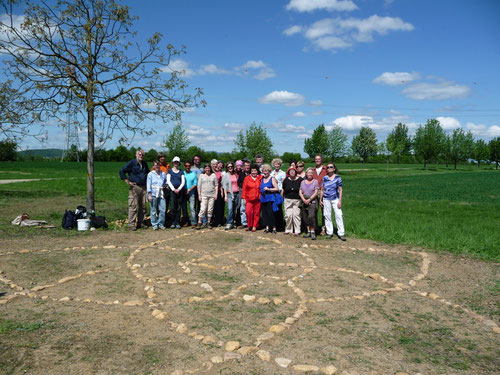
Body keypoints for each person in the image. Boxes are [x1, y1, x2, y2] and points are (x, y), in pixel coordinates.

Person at [119, 149, 149, 231]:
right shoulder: (131, 163)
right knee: (133, 206)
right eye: (139, 154)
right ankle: (131, 224)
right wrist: (127, 181)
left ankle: (141, 223)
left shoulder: (145, 164)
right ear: (136, 155)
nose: (141, 156)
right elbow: (122, 171)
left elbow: (148, 174)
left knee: (143, 207)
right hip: (134, 187)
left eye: (142, 155)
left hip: (143, 187)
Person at [320, 162, 346, 241]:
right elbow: (322, 190)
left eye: (331, 167)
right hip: (326, 199)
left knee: (339, 215)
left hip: (335, 199)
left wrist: (340, 201)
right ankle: (329, 232)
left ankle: (341, 233)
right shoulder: (324, 178)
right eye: (327, 167)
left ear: (334, 169)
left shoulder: (338, 178)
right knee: (327, 215)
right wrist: (320, 199)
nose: (329, 168)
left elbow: (340, 190)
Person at [260, 164, 282, 234]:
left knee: (271, 213)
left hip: (270, 198)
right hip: (263, 198)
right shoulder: (262, 179)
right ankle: (267, 228)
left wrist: (269, 189)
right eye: (264, 171)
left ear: (269, 171)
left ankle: (274, 228)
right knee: (265, 213)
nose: (265, 172)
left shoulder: (272, 178)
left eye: (266, 171)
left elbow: (277, 188)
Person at [299, 168, 319, 240]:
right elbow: (300, 191)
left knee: (311, 216)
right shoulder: (302, 182)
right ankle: (308, 232)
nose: (310, 174)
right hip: (304, 202)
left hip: (312, 202)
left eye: (311, 173)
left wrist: (310, 199)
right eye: (308, 173)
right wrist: (304, 200)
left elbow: (316, 192)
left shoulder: (315, 182)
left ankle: (313, 231)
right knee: (305, 217)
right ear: (306, 174)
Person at [147, 161, 168, 230]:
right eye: (155, 165)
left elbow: (166, 182)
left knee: (162, 209)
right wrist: (149, 194)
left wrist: (166, 186)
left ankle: (161, 224)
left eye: (158, 165)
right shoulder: (150, 174)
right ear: (153, 166)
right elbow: (148, 184)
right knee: (153, 210)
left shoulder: (163, 174)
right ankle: (154, 224)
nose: (157, 167)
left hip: (161, 193)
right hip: (153, 193)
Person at [282, 166, 302, 236]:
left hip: (297, 199)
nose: (292, 172)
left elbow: (302, 189)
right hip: (287, 199)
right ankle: (288, 229)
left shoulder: (300, 179)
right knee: (288, 215)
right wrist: (282, 197)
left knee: (296, 215)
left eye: (293, 171)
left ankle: (297, 230)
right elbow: (283, 189)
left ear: (296, 172)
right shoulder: (286, 180)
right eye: (290, 171)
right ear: (288, 172)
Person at [242, 165, 262, 232]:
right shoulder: (247, 178)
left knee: (257, 212)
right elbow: (244, 189)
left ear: (257, 171)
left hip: (257, 198)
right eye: (252, 171)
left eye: (255, 171)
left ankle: (254, 226)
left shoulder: (260, 177)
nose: (253, 172)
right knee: (248, 212)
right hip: (249, 198)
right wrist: (244, 198)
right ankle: (249, 225)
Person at [197, 164, 217, 229]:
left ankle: (208, 223)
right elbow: (199, 186)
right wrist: (199, 194)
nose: (207, 169)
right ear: (204, 169)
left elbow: (216, 185)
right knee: (202, 209)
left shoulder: (213, 175)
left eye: (208, 168)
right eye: (206, 168)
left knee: (210, 209)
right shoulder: (201, 176)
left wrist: (216, 194)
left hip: (212, 195)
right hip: (203, 195)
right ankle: (199, 223)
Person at [167, 156, 185, 229]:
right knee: (172, 207)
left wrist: (179, 189)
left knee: (178, 207)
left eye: (177, 162)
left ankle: (177, 222)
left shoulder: (181, 172)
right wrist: (174, 189)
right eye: (175, 162)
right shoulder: (169, 171)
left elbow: (183, 181)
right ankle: (173, 222)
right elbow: (168, 181)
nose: (176, 163)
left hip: (180, 192)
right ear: (173, 163)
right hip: (172, 191)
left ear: (179, 163)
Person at [312, 154, 328, 235]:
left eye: (319, 159)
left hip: (323, 192)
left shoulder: (326, 169)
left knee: (324, 211)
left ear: (321, 160)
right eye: (316, 159)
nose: (317, 160)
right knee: (314, 210)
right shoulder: (313, 170)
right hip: (314, 192)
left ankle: (324, 229)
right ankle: (315, 228)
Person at [222, 161, 240, 230]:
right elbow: (224, 186)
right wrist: (225, 196)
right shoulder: (226, 175)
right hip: (230, 194)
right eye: (228, 167)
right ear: (227, 168)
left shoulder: (235, 174)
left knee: (234, 209)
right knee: (229, 208)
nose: (230, 168)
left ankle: (233, 222)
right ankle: (229, 223)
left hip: (237, 193)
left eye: (231, 166)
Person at [270, 158, 286, 232]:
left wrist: (281, 194)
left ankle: (280, 225)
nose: (277, 165)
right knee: (273, 209)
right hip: (272, 192)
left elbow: (283, 184)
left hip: (279, 191)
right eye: (275, 164)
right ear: (273, 165)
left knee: (279, 209)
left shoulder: (282, 173)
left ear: (280, 165)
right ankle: (273, 225)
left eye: (278, 164)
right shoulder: (271, 173)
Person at [183, 160, 198, 227]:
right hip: (183, 193)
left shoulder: (193, 174)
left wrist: (189, 190)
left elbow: (195, 184)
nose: (188, 167)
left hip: (191, 193)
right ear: (184, 166)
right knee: (184, 208)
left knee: (192, 208)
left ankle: (193, 222)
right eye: (186, 166)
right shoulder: (182, 173)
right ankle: (186, 222)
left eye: (189, 166)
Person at [237, 160, 251, 228]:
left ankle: (250, 222)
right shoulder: (241, 174)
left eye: (248, 165)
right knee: (242, 208)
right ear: (243, 167)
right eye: (246, 165)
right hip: (243, 192)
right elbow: (239, 183)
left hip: (251, 192)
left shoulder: (253, 173)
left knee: (250, 208)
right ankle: (244, 222)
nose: (247, 167)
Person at [213, 160, 226, 226]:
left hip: (221, 191)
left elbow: (222, 183)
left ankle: (220, 220)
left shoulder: (223, 173)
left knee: (221, 206)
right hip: (213, 191)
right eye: (219, 164)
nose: (220, 166)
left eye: (221, 164)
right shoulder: (213, 172)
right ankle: (214, 220)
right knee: (214, 207)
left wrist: (222, 191)